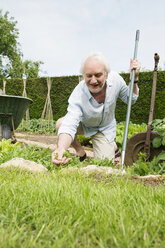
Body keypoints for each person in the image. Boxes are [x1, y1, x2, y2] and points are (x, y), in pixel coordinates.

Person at [52, 52, 140, 165]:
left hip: (105, 129)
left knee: (104, 164)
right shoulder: (78, 94)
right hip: (85, 125)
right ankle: (80, 151)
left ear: (106, 74)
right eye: (89, 76)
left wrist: (135, 78)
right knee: (61, 124)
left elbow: (131, 99)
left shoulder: (116, 80)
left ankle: (111, 146)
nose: (93, 81)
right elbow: (69, 124)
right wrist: (61, 149)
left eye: (98, 75)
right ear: (84, 75)